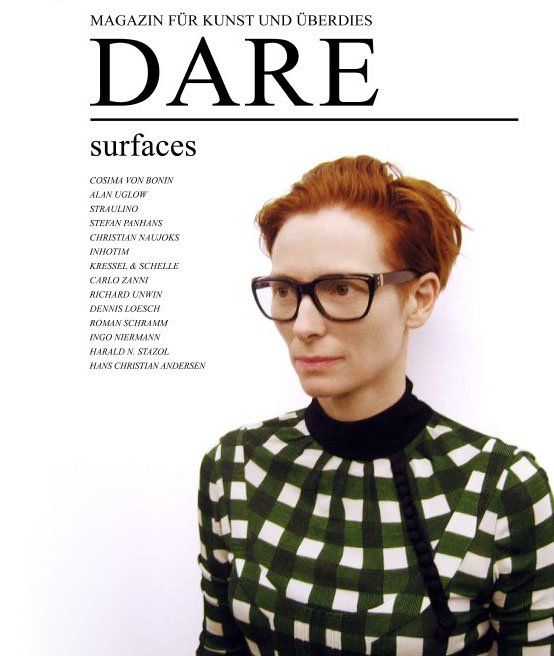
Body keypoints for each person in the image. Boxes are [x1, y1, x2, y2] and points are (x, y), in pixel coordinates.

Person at [196, 156, 554, 655]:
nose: (303, 326)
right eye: (285, 290)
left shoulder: (498, 489)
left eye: (341, 288)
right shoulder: (234, 465)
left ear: (419, 299)